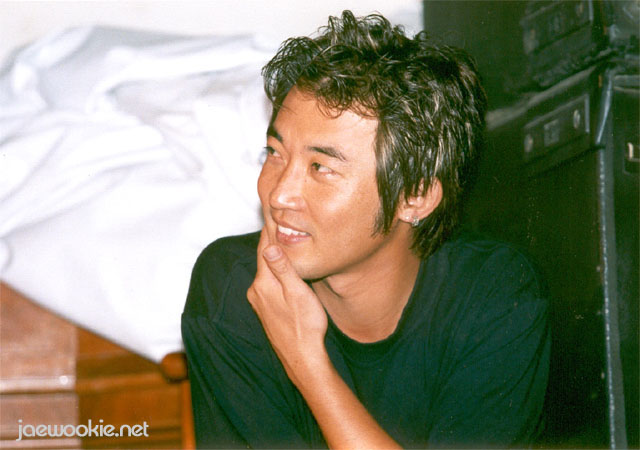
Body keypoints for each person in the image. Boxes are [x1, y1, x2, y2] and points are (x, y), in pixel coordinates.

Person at [182, 10, 550, 449]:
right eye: (275, 153)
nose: (279, 194)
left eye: (320, 167)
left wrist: (307, 362)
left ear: (415, 197)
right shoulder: (233, 288)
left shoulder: (495, 296)